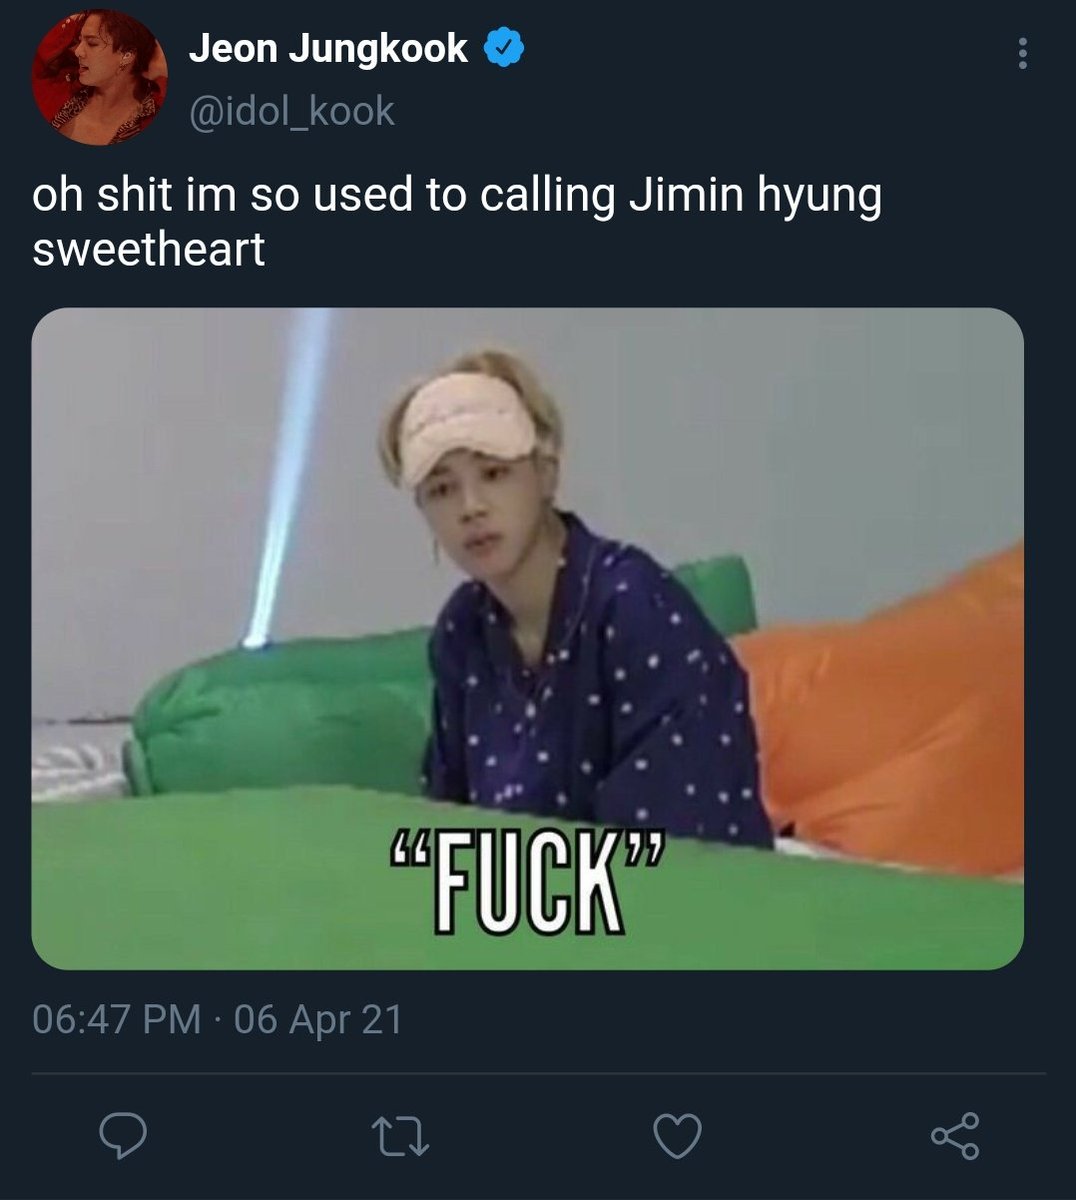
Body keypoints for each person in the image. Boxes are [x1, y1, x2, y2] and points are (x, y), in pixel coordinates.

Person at [378, 349, 774, 849]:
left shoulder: (634, 607)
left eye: (494, 474)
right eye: (441, 490)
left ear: (545, 474)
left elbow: (678, 847)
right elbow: (449, 829)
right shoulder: (462, 630)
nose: (470, 507)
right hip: (530, 892)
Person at [34, 11, 166, 145]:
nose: (78, 51)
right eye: (79, 41)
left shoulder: (152, 114)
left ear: (127, 55)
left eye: (92, 43)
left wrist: (158, 64)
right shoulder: (60, 84)